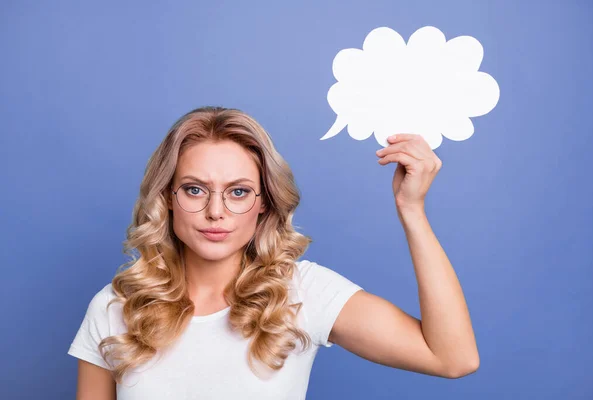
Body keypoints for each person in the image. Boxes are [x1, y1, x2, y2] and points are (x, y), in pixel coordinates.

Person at [68, 106, 479, 399]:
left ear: (264, 201)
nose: (216, 211)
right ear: (168, 197)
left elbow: (452, 358)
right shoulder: (113, 308)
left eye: (238, 192)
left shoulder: (303, 292)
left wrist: (412, 210)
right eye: (195, 189)